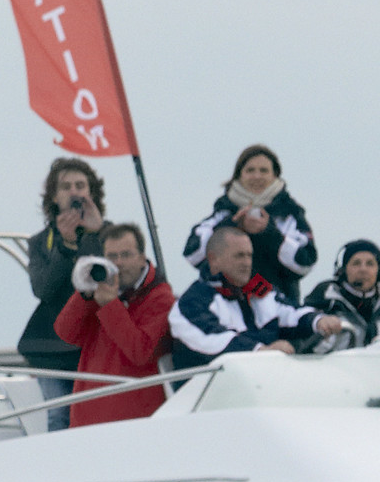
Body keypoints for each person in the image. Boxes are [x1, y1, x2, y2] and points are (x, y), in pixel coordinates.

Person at [169, 225, 344, 372]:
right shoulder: (192, 303)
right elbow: (214, 340)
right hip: (210, 397)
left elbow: (290, 312)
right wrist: (261, 351)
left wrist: (318, 320)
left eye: (249, 255)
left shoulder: (261, 291)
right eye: (239, 256)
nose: (246, 263)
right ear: (214, 260)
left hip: (262, 387)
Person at [51, 222, 174, 426]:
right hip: (87, 420)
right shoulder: (100, 292)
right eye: (112, 256)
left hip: (134, 423)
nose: (119, 263)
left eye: (126, 255)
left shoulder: (160, 298)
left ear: (142, 258)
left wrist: (110, 306)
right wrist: (84, 295)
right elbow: (65, 333)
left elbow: (140, 351)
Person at [19, 157, 109, 430]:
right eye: (66, 186)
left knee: (93, 413)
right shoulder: (40, 242)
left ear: (91, 193)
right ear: (54, 197)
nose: (74, 192)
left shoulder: (110, 235)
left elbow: (108, 280)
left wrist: (96, 234)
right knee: (58, 414)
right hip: (51, 344)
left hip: (95, 340)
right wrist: (65, 246)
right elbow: (43, 289)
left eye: (80, 185)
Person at [183, 145, 316, 304]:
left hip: (277, 312)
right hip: (224, 309)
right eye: (250, 170)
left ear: (275, 175)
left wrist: (269, 233)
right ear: (239, 175)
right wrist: (232, 226)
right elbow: (193, 255)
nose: (257, 176)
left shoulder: (289, 215)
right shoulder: (223, 212)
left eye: (264, 171)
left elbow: (303, 264)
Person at [300, 240, 380, 349]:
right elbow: (301, 326)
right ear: (343, 269)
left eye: (370, 264)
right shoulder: (326, 295)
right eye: (356, 263)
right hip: (329, 364)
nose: (363, 269)